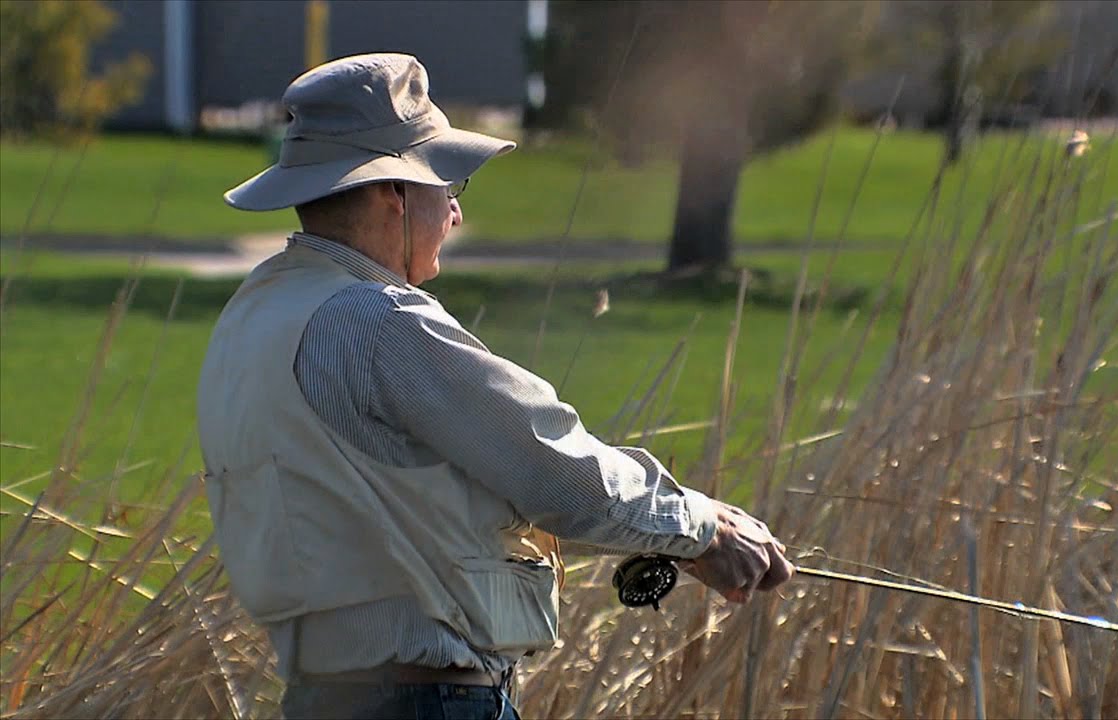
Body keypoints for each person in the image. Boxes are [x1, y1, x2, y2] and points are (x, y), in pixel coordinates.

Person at [197, 53, 793, 720]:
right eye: (446, 184)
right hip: (426, 701)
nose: (452, 213)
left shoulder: (254, 317)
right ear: (391, 193)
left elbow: (452, 498)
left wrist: (674, 538)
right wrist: (704, 528)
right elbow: (553, 471)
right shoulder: (378, 322)